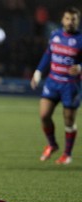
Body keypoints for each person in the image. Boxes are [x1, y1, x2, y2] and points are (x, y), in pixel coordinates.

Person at [30, 6, 82, 165]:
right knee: (44, 115)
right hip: (53, 82)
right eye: (67, 18)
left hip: (71, 85)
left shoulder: (80, 39)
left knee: (68, 120)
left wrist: (80, 68)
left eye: (73, 19)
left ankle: (67, 154)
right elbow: (48, 54)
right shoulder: (55, 35)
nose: (70, 22)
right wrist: (38, 72)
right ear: (62, 20)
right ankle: (52, 144)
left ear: (78, 21)